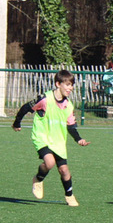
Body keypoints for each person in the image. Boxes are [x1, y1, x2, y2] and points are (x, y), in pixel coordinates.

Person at [13, 69, 88, 206]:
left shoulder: (68, 105)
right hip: (42, 137)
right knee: (49, 162)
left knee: (64, 171)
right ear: (58, 84)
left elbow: (71, 126)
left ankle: (69, 195)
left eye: (72, 85)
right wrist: (17, 123)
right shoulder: (44, 99)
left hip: (58, 141)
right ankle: (38, 179)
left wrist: (78, 139)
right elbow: (26, 107)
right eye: (68, 85)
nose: (71, 88)